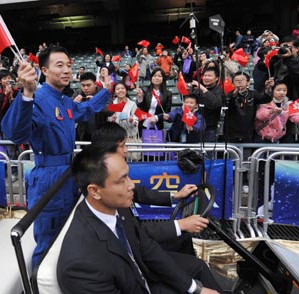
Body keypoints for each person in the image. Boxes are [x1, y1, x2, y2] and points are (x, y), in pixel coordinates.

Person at [57, 142, 220, 294]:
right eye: (121, 181)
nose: (131, 185)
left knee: (198, 269)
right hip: (137, 285)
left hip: (144, 276)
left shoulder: (118, 208)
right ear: (94, 191)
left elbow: (146, 247)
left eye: (128, 176)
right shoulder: (80, 266)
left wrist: (194, 288)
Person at [0, 46, 110, 268]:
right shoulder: (37, 98)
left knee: (68, 236)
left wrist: (105, 90)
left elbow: (86, 110)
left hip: (69, 176)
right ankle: (37, 284)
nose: (67, 70)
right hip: (48, 180)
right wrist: (27, 93)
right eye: (59, 65)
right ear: (44, 70)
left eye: (69, 65)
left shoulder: (64, 100)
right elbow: (15, 133)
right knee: (48, 241)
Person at [92, 122, 213, 256]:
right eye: (122, 146)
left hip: (138, 240)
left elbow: (139, 192)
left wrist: (175, 195)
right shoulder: (104, 187)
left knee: (184, 241)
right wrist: (180, 224)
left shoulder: (111, 175)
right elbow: (135, 231)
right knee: (198, 267)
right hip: (135, 250)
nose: (126, 150)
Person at [225, 72, 274, 143]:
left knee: (246, 152)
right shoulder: (229, 95)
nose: (239, 82)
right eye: (237, 81)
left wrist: (268, 88)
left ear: (248, 83)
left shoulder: (253, 94)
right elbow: (228, 103)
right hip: (232, 133)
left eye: (242, 80)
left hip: (248, 132)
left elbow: (265, 98)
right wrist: (235, 94)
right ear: (232, 84)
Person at [189, 67, 224, 142]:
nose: (206, 78)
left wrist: (203, 89)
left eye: (209, 76)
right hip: (195, 127)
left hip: (210, 129)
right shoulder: (197, 90)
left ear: (217, 78)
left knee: (208, 152)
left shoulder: (218, 91)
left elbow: (215, 103)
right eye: (205, 76)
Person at [72, 71, 108, 141]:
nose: (85, 88)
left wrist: (97, 104)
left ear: (95, 84)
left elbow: (110, 110)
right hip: (82, 133)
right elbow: (69, 111)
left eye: (88, 85)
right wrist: (74, 104)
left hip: (100, 133)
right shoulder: (77, 93)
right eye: (83, 85)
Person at [136, 67, 172, 133]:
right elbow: (140, 108)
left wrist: (157, 117)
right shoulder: (144, 90)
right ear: (151, 78)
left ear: (163, 79)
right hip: (144, 123)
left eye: (159, 76)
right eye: (154, 76)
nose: (157, 78)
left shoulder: (168, 94)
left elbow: (167, 112)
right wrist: (140, 98)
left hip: (158, 125)